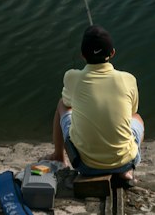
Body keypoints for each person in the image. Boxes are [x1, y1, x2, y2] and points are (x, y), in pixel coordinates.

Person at [52, 25, 144, 184]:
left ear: (82, 55)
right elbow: (132, 112)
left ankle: (59, 157)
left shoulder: (72, 77)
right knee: (137, 117)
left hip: (84, 165)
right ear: (113, 52)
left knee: (62, 104)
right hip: (126, 161)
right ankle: (126, 170)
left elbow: (67, 103)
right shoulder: (128, 79)